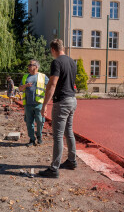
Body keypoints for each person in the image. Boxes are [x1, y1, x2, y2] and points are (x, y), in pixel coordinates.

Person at [39, 39, 77, 178]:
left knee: (58, 136)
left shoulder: (57, 62)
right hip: (72, 100)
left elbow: (53, 84)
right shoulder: (72, 61)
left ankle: (54, 169)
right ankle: (72, 161)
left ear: (53, 50)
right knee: (69, 132)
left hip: (62, 102)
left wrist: (44, 105)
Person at [19, 60, 49, 147]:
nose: (28, 66)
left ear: (36, 67)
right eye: (28, 65)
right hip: (28, 104)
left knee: (40, 121)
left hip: (39, 103)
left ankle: (39, 136)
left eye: (30, 65)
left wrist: (46, 103)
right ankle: (32, 139)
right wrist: (25, 86)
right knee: (29, 122)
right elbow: (20, 88)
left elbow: (51, 86)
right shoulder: (25, 76)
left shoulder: (43, 76)